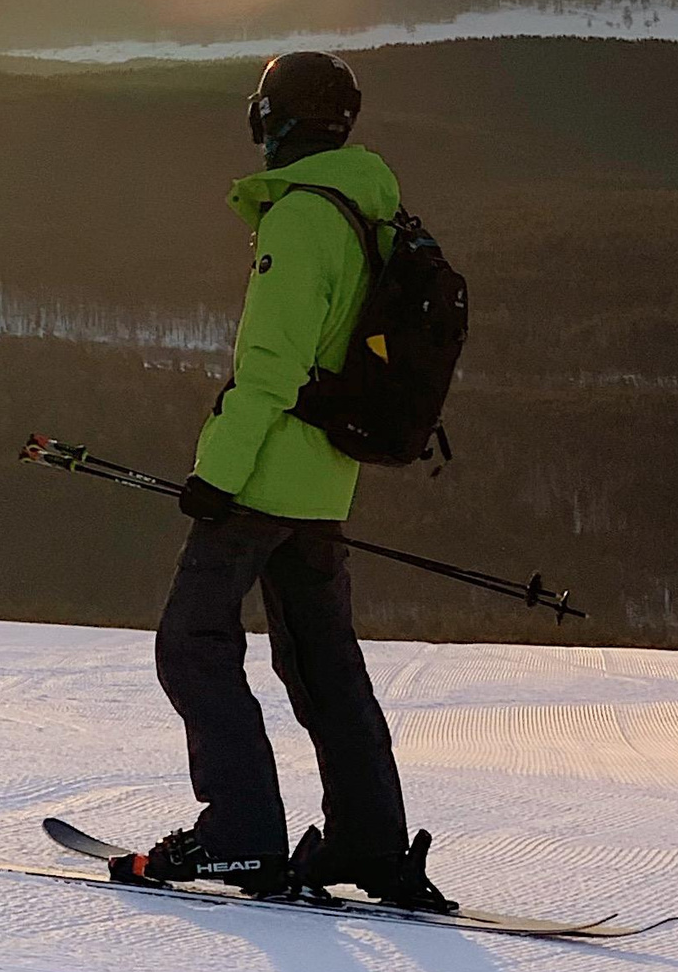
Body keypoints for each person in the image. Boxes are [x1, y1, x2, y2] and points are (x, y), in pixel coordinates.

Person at [109, 49, 455, 911]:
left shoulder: (302, 216)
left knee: (192, 642)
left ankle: (240, 834)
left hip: (265, 475)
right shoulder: (370, 208)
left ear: (276, 120)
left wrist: (215, 474)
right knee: (324, 663)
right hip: (325, 483)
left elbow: (270, 366)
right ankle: (371, 843)